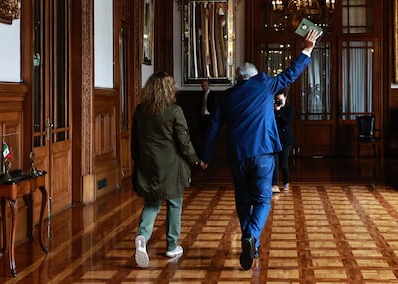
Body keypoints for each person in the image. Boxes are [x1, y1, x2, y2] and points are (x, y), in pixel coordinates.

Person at [199, 30, 319, 270]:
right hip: (263, 153)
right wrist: (307, 49)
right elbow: (291, 74)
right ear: (254, 76)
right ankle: (251, 235)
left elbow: (212, 128)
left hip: (238, 155)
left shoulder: (225, 97)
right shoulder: (265, 84)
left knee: (243, 199)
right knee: (263, 198)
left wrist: (205, 156)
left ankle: (249, 237)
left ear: (237, 78)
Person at [131, 71, 204, 268]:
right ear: (169, 89)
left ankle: (142, 236)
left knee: (152, 203)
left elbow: (135, 142)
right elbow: (184, 142)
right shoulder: (174, 111)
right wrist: (196, 161)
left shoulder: (140, 111)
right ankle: (172, 245)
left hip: (148, 164)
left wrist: (137, 161)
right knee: (174, 203)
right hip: (171, 166)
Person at [272, 90, 294, 193]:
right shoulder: (272, 109)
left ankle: (286, 182)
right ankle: (275, 184)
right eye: (277, 100)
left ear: (285, 97)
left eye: (280, 100)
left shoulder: (290, 109)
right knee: (274, 162)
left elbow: (286, 122)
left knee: (283, 163)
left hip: (286, 140)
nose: (278, 101)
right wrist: (274, 110)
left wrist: (279, 111)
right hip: (275, 139)